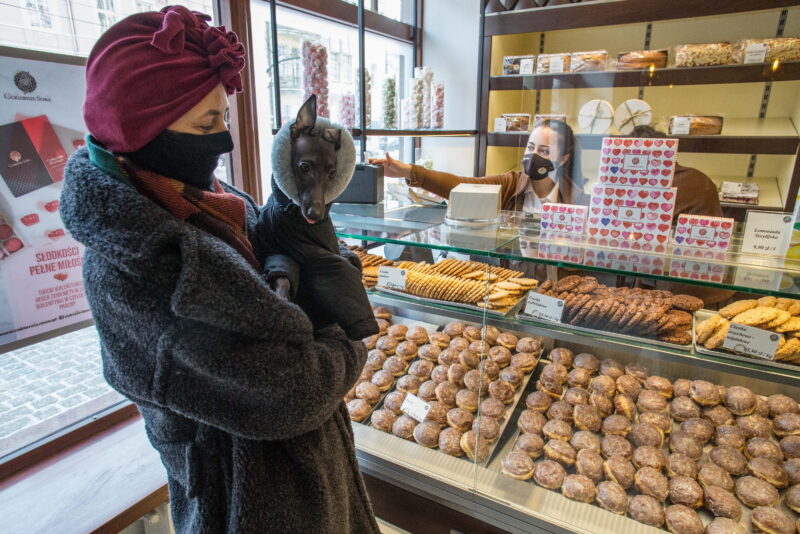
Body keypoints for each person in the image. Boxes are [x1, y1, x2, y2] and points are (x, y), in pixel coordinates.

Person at [60, 7, 379, 533]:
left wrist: (319, 257)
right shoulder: (132, 264)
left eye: (225, 118)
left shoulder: (214, 201)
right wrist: (349, 336)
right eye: (207, 124)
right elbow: (288, 394)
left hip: (311, 484)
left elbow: (292, 287)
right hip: (242, 505)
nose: (225, 141)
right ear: (144, 128)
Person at [371, 118, 585, 211]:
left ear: (564, 158)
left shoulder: (577, 199)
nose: (534, 155)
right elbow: (460, 185)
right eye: (530, 147)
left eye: (544, 151)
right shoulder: (511, 184)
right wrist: (408, 170)